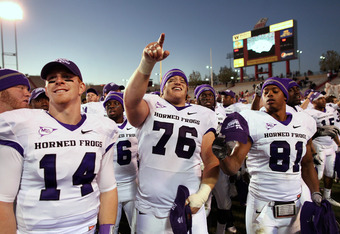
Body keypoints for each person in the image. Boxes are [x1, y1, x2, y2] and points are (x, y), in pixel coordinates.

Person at [0, 58, 119, 234]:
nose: (59, 80)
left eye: (67, 77)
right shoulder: (20, 126)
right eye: (52, 79)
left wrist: (106, 230)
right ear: (46, 89)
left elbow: (108, 188)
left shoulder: (103, 128)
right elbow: (3, 200)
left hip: (88, 227)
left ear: (81, 87)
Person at [123, 33, 219, 233]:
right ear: (162, 88)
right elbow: (130, 102)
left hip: (188, 207)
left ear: (188, 90)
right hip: (150, 208)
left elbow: (211, 161)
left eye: (182, 80)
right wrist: (146, 64)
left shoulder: (204, 115)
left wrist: (203, 194)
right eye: (171, 79)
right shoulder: (151, 104)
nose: (178, 81)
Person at [214, 77, 321, 233]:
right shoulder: (253, 120)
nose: (269, 94)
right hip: (262, 205)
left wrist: (315, 192)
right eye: (265, 92)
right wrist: (222, 154)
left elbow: (307, 163)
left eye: (274, 91)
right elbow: (232, 167)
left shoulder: (303, 122)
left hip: (295, 203)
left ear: (285, 96)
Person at [194, 84, 237, 234]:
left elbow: (230, 140)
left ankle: (220, 231)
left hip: (218, 164)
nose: (206, 98)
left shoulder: (222, 115)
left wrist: (226, 151)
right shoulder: (191, 114)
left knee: (224, 204)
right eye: (203, 95)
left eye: (209, 95)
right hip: (198, 165)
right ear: (197, 99)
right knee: (202, 205)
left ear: (215, 98)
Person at [103, 91, 138, 234]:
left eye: (115, 103)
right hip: (110, 186)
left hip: (131, 184)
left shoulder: (135, 125)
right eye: (108, 105)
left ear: (123, 107)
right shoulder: (102, 127)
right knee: (111, 228)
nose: (111, 107)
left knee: (136, 227)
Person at [303, 91, 340, 207]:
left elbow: (333, 131)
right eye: (320, 99)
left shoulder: (329, 108)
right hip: (318, 145)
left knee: (329, 172)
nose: (323, 100)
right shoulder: (309, 113)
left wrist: (338, 143)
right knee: (317, 175)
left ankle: (327, 197)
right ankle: (312, 196)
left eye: (324, 98)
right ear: (314, 101)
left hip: (330, 145)